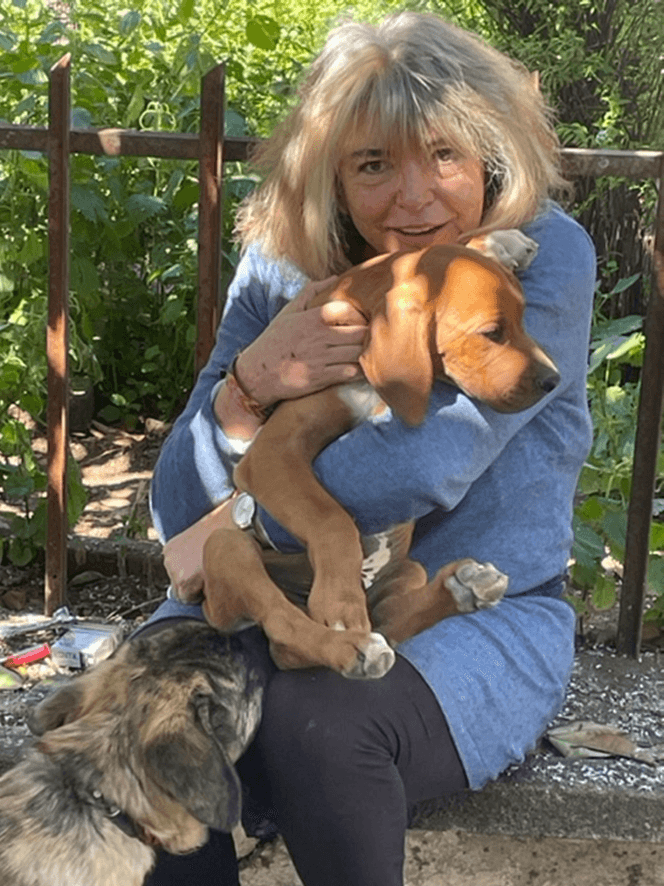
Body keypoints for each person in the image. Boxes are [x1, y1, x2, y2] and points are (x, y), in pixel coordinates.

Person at [145, 11, 595, 886]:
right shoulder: (284, 266)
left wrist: (238, 522)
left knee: (319, 724)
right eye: (374, 164)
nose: (415, 197)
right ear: (332, 176)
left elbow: (422, 463)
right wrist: (252, 383)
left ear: (490, 155)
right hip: (269, 598)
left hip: (471, 613)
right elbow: (176, 506)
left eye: (444, 155)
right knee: (150, 727)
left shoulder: (538, 260)